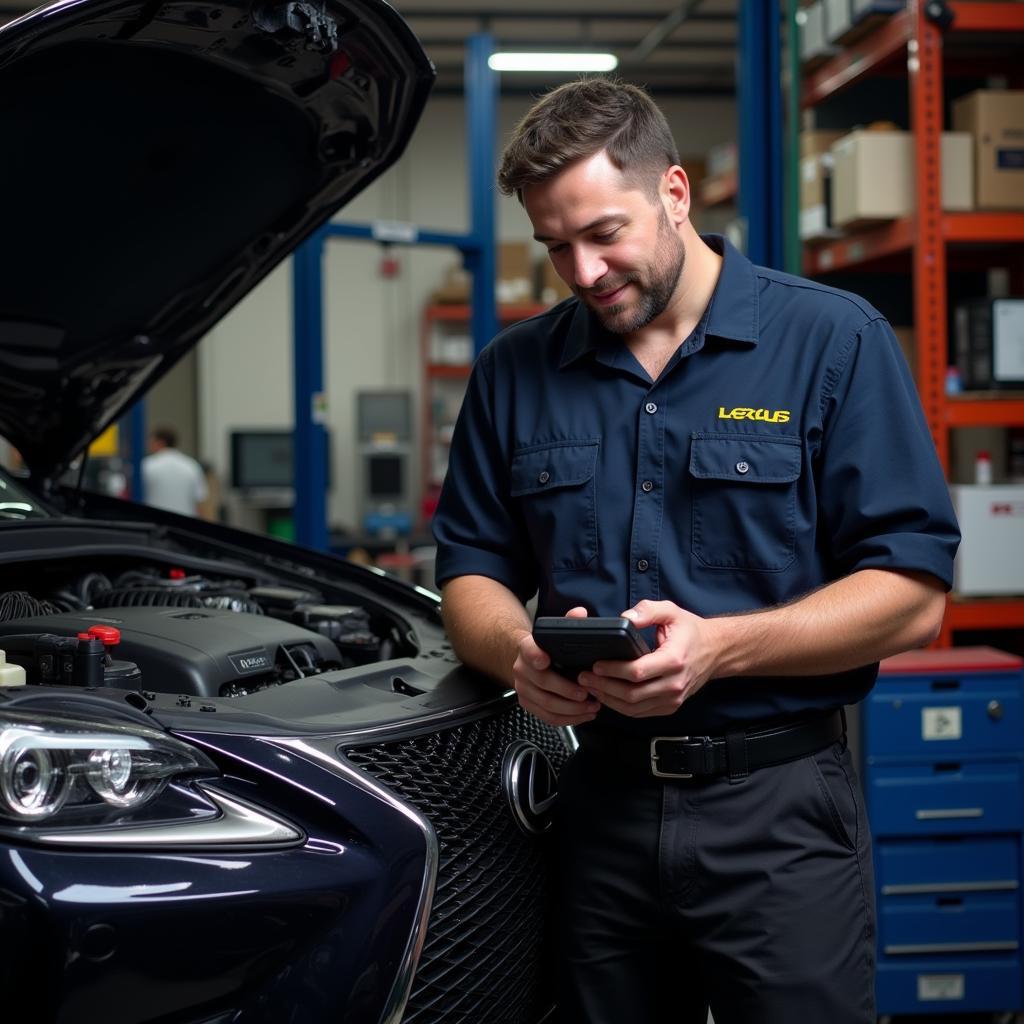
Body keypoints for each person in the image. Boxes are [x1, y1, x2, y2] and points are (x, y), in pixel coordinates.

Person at [431, 78, 960, 1024]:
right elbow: (471, 569)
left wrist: (722, 647)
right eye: (556, 246)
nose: (583, 271)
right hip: (601, 808)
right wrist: (516, 653)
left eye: (604, 233)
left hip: (782, 814)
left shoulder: (831, 342)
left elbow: (913, 594)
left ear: (676, 193)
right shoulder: (514, 373)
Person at [141, 426, 208, 517]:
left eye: (151, 442)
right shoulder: (191, 466)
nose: (148, 445)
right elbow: (199, 503)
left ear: (160, 443)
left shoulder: (147, 465)